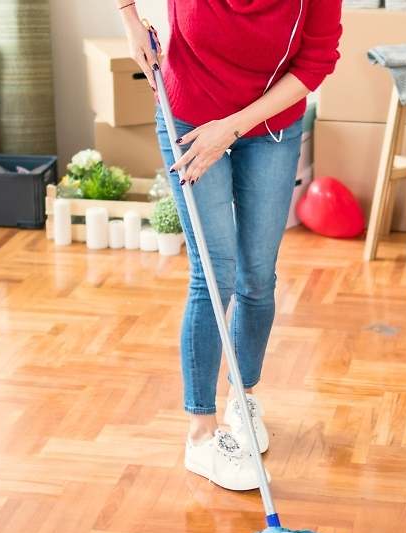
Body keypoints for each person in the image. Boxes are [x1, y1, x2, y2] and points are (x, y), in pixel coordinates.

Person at [118, 0, 341, 491]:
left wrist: (233, 127)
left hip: (271, 127)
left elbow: (317, 60)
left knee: (258, 275)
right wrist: (128, 16)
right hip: (189, 117)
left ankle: (243, 396)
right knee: (213, 273)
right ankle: (200, 434)